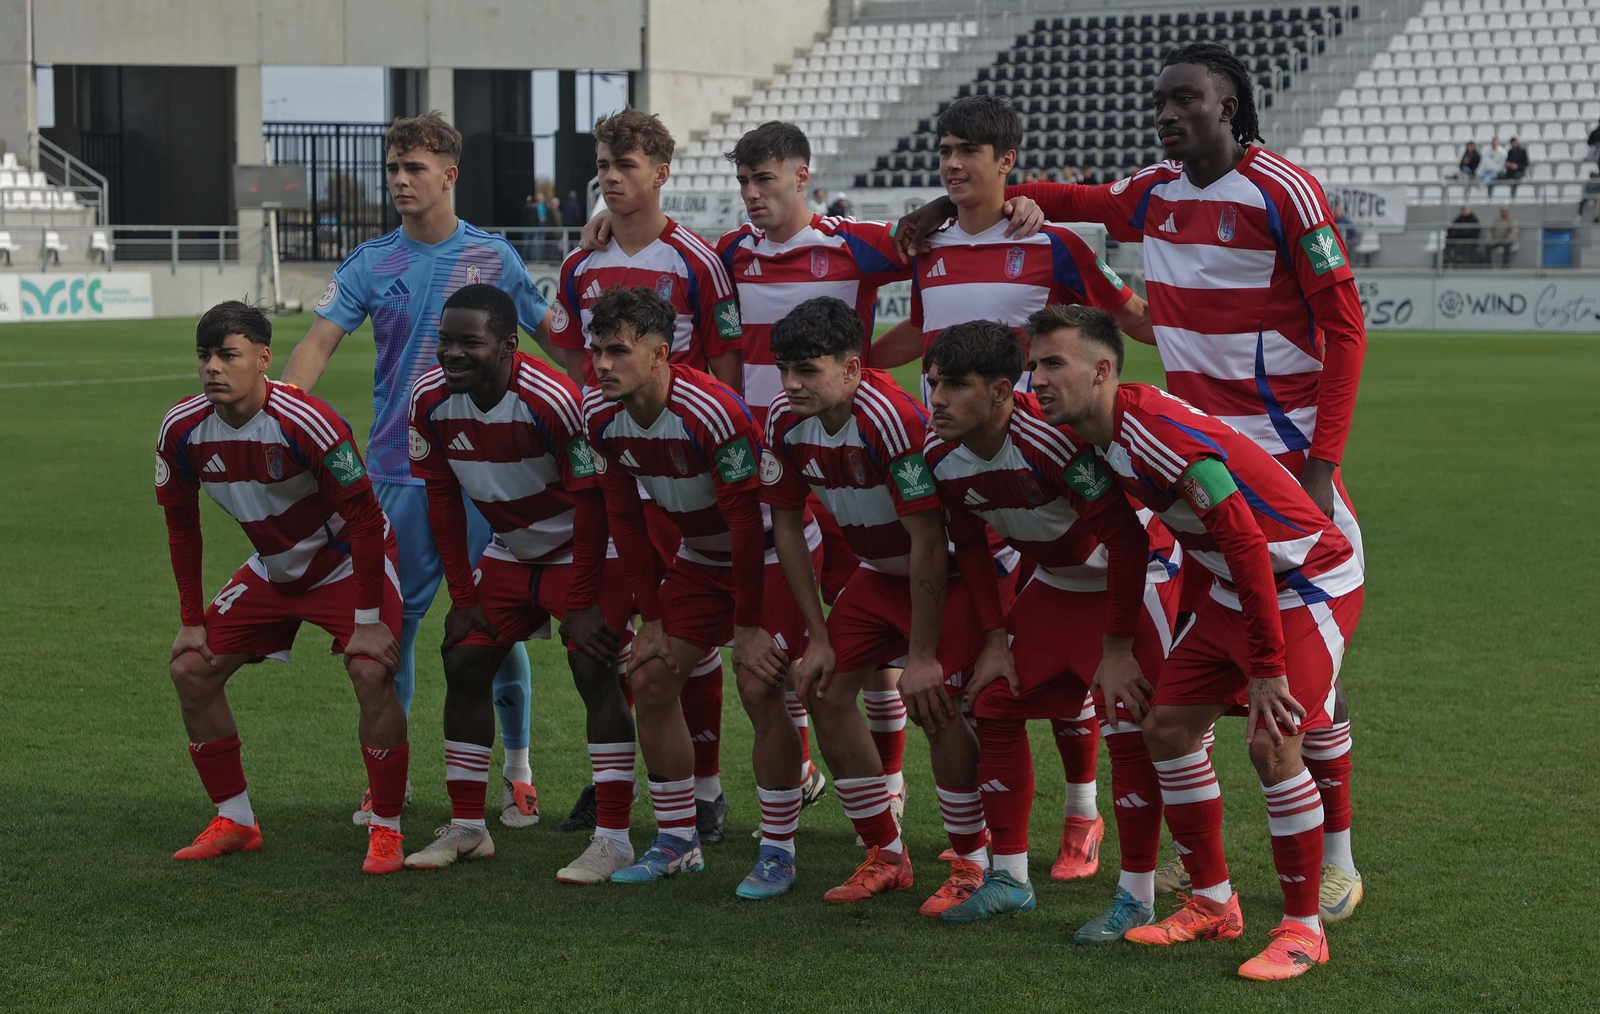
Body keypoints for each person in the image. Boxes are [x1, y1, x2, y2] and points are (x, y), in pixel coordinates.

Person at [899, 41, 1370, 921]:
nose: (1167, 113)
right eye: (1160, 100)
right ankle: (1196, 872)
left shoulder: (1283, 191)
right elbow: (1067, 199)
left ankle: (1336, 861)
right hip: (1180, 451)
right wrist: (947, 203)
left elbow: (1345, 332)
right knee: (1181, 683)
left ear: (1227, 105)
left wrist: (1323, 462)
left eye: (1186, 98)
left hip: (1281, 457)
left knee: (1307, 671)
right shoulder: (1152, 191)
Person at [1029, 306, 1363, 981]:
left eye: (1053, 364)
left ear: (1102, 371)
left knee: (1273, 742)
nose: (1036, 379)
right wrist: (1116, 648)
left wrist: (1266, 668)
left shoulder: (1156, 433)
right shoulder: (1090, 434)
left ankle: (1304, 930)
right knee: (1168, 728)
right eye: (1033, 364)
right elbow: (1127, 543)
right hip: (1234, 580)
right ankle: (1213, 903)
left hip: (1307, 579)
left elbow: (1246, 539)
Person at [280, 111, 552, 830]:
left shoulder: (494, 258)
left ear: (449, 175)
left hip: (486, 477)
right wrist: (285, 414)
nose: (400, 181)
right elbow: (317, 343)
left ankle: (518, 774)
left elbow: (554, 337)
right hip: (397, 473)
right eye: (393, 169)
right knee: (388, 630)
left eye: (415, 168)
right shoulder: (371, 263)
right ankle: (387, 783)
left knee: (494, 626)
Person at [920, 315, 1182, 939]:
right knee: (994, 700)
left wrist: (1117, 649)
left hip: (1133, 578)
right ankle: (1010, 880)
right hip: (1059, 581)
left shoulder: (1051, 442)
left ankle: (1137, 896)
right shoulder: (939, 453)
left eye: (955, 384)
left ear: (1001, 392)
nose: (937, 399)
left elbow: (1127, 541)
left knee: (1129, 721)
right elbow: (971, 546)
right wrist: (993, 639)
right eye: (933, 383)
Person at [762, 296, 1015, 916]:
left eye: (808, 370)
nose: (791, 384)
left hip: (952, 573)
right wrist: (818, 636)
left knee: (936, 701)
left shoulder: (892, 418)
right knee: (821, 687)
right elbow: (787, 524)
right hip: (880, 574)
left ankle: (972, 862)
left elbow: (930, 540)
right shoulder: (784, 420)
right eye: (784, 370)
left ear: (852, 369)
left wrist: (920, 656)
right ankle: (887, 854)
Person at [547, 109, 742, 842]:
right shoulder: (580, 263)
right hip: (615, 468)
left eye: (625, 165)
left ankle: (707, 791)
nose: (610, 177)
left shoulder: (696, 259)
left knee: (691, 645)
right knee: (598, 634)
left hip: (682, 478)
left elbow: (724, 365)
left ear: (660, 174)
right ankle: (615, 784)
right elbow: (574, 355)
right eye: (603, 164)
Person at [581, 285, 813, 899]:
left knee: (760, 685)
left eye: (617, 351)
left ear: (660, 354)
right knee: (650, 675)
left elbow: (747, 525)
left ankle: (778, 851)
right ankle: (678, 841)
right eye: (597, 351)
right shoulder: (599, 416)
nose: (602, 365)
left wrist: (748, 625)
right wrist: (652, 619)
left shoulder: (713, 410)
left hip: (771, 556)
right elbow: (625, 519)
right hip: (700, 556)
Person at [158, 301, 407, 874]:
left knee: (371, 670)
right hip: (274, 568)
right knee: (191, 668)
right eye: (204, 356)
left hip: (345, 562)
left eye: (228, 355)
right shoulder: (183, 429)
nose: (212, 367)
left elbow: (365, 519)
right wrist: (192, 619)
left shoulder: (307, 421)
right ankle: (236, 820)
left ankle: (387, 828)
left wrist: (368, 621)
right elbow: (181, 523)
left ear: (264, 358)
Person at [402, 284, 639, 881]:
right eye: (445, 341)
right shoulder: (429, 399)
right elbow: (442, 499)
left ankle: (614, 837)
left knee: (593, 663)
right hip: (510, 549)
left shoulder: (552, 400)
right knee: (464, 655)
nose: (452, 353)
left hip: (586, 548)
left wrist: (580, 600)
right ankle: (468, 826)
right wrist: (463, 596)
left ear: (508, 346)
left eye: (469, 342)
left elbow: (592, 505)